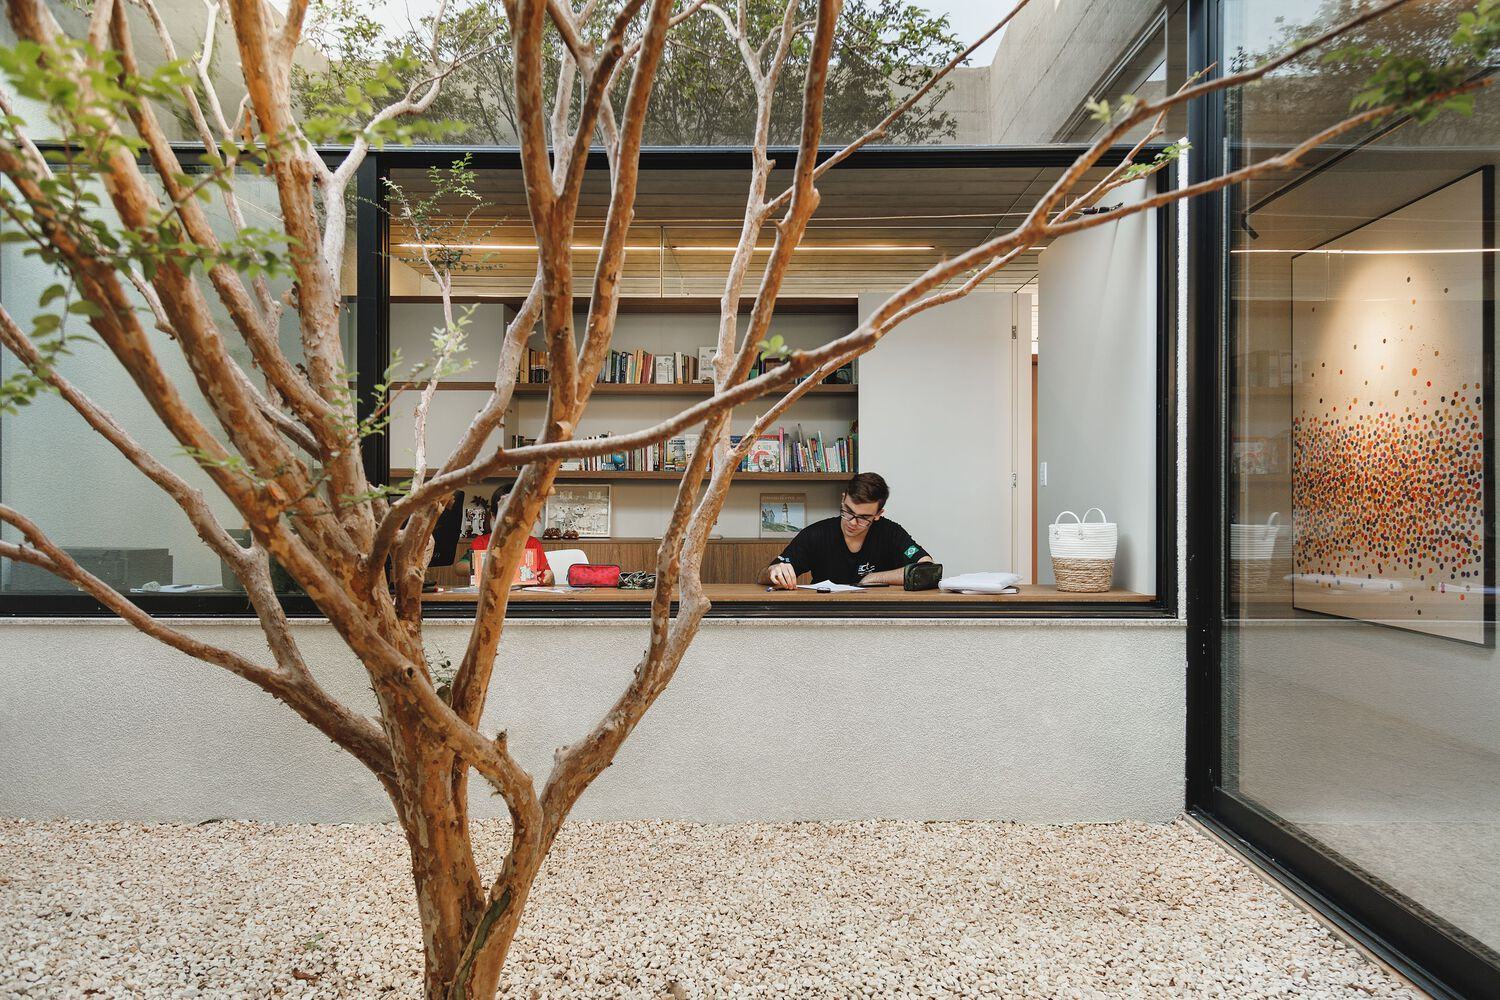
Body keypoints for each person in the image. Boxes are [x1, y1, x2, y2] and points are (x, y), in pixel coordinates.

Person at [759, 472, 933, 589]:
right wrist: (774, 572)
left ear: (878, 514)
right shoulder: (816, 534)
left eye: (863, 518)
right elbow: (762, 577)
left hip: (877, 615)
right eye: (848, 511)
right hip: (825, 614)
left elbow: (926, 569)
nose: (852, 522)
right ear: (843, 499)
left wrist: (875, 577)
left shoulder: (890, 532)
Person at [460, 485, 555, 587]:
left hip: (524, 595)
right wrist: (481, 566)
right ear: (493, 516)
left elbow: (549, 578)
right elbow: (460, 567)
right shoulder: (481, 542)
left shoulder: (533, 544)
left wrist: (549, 577)